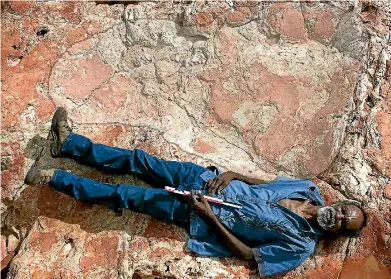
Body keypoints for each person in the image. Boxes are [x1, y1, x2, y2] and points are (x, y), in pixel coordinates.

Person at [25, 108, 367, 277]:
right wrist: (232, 173)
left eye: (342, 224)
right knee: (138, 160)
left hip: (198, 211)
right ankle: (69, 144)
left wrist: (208, 217)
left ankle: (54, 178)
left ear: (337, 233)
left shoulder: (300, 248)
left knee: (125, 196)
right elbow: (265, 183)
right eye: (342, 211)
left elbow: (250, 256)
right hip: (203, 178)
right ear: (340, 203)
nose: (337, 217)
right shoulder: (308, 188)